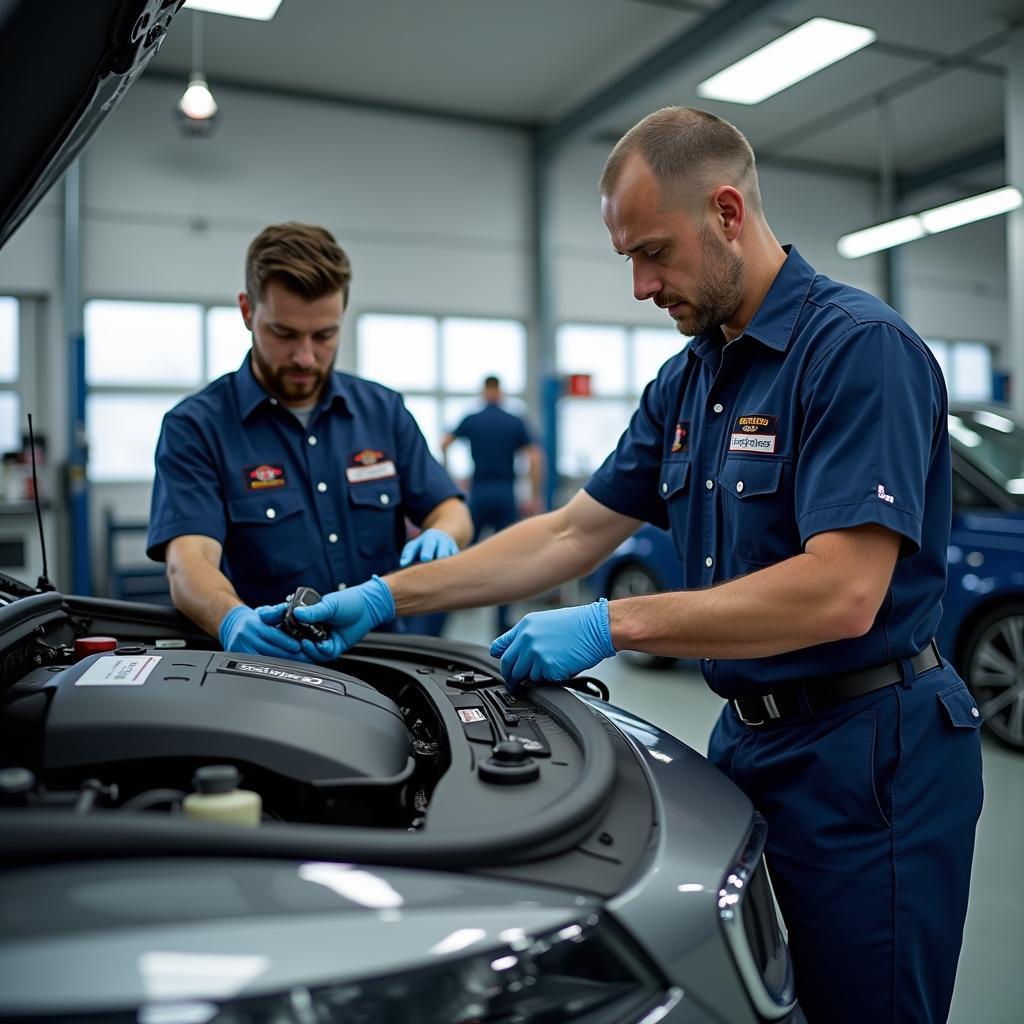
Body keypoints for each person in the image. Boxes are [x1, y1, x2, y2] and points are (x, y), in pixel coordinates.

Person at [284, 109, 983, 1023]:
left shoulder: (856, 350)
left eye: (654, 252)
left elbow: (843, 591)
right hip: (748, 739)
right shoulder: (691, 380)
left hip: (870, 756)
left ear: (727, 212)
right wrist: (382, 596)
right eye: (628, 259)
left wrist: (611, 624)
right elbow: (572, 532)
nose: (643, 285)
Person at [146, 222, 472, 658]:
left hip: (389, 663)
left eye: (324, 336)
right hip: (270, 667)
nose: (305, 356)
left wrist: (445, 535)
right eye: (284, 334)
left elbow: (450, 510)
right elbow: (189, 561)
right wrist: (231, 619)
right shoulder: (197, 427)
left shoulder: (382, 410)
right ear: (247, 312)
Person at [441, 375, 544, 632]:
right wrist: (534, 494)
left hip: (479, 491)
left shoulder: (472, 419)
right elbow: (535, 457)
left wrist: (452, 480)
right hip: (504, 492)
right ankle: (501, 621)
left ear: (484, 391)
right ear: (500, 391)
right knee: (507, 558)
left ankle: (450, 608)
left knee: (462, 554)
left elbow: (444, 444)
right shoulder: (513, 420)